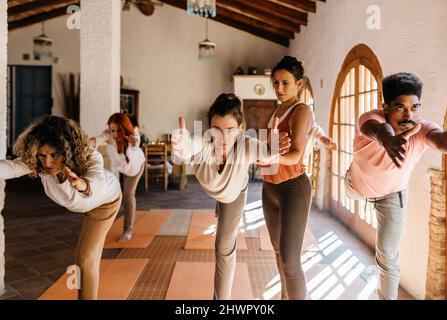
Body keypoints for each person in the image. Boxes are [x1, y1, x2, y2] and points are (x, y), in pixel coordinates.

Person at [171, 93, 291, 300]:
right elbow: (192, 144)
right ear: (208, 129)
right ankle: (220, 205)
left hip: (235, 193)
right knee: (221, 198)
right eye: (216, 130)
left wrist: (271, 149)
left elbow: (260, 150)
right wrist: (182, 147)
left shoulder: (245, 144)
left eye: (230, 130)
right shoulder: (204, 143)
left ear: (241, 129)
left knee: (224, 246)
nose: (222, 138)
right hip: (217, 188)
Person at [344, 72, 447, 300]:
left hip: (392, 195)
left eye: (415, 107)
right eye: (400, 107)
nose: (408, 114)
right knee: (352, 189)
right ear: (386, 107)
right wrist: (387, 139)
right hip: (355, 186)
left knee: (388, 256)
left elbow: (443, 142)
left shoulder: (421, 129)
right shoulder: (372, 118)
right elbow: (373, 129)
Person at [0, 115, 122, 300]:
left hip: (105, 202)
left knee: (85, 261)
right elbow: (10, 167)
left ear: (67, 150)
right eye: (42, 155)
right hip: (84, 204)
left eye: (54, 155)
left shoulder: (89, 155)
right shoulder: (38, 163)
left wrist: (83, 184)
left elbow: (97, 178)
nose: (47, 163)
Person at [260, 56, 314, 300]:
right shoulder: (275, 110)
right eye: (276, 83)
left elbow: (295, 155)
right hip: (269, 188)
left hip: (293, 189)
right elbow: (267, 148)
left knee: (290, 261)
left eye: (285, 83)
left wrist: (270, 158)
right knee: (278, 253)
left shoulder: (300, 111)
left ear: (299, 84)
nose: (279, 89)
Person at [89, 113, 145, 242]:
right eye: (112, 130)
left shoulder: (132, 135)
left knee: (128, 195)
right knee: (120, 192)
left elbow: (135, 143)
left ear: (124, 128)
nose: (114, 134)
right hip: (124, 168)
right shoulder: (109, 135)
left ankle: (127, 231)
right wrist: (86, 143)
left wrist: (133, 143)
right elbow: (99, 139)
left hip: (136, 166)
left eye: (118, 130)